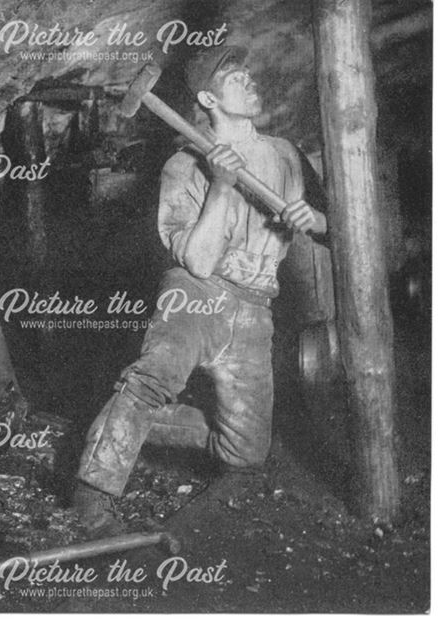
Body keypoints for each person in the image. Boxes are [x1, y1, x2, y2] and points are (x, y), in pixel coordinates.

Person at [73, 46, 328, 533]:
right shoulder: (183, 167)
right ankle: (93, 495)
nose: (250, 80)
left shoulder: (287, 154)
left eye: (246, 70)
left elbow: (341, 231)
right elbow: (198, 259)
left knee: (246, 451)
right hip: (197, 293)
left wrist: (313, 218)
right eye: (235, 77)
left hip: (256, 308)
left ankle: (118, 423)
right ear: (208, 98)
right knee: (152, 381)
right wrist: (222, 186)